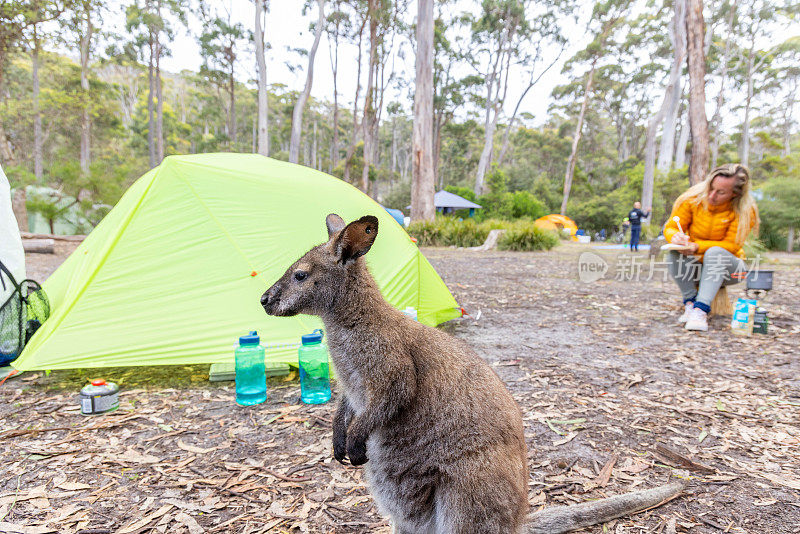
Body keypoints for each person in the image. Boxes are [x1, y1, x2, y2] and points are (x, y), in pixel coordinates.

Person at [664, 164, 759, 332]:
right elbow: (670, 227)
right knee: (674, 250)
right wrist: (675, 237)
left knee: (715, 252)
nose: (711, 195)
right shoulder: (691, 199)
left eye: (720, 192)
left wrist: (696, 246)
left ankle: (701, 310)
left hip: (731, 270)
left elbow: (732, 245)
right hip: (695, 268)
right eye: (710, 188)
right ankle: (690, 303)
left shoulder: (745, 210)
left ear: (735, 194)